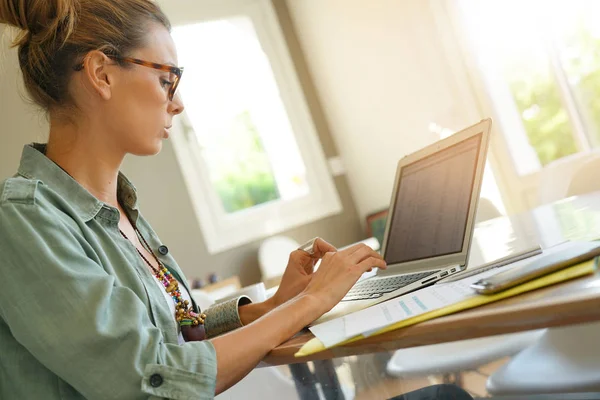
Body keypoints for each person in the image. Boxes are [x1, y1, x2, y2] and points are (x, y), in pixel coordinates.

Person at [0, 1, 472, 399]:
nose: (177, 103)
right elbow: (149, 378)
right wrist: (314, 302)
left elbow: (177, 332)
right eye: (168, 78)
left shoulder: (121, 211)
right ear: (102, 74)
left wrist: (276, 305)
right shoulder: (22, 220)